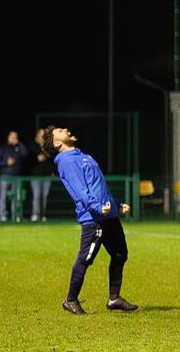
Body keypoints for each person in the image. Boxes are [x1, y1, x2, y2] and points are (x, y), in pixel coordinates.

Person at [41, 126, 137, 315]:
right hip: (94, 219)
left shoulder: (82, 156)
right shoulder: (67, 162)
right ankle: (70, 300)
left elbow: (98, 186)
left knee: (120, 254)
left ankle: (114, 298)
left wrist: (116, 205)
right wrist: (97, 207)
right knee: (85, 258)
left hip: (108, 215)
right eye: (60, 131)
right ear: (57, 143)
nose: (66, 129)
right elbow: (80, 191)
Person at [0, 131, 28, 222]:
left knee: (16, 197)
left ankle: (15, 215)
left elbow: (25, 154)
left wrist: (19, 143)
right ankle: (3, 216)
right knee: (3, 197)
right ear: (8, 138)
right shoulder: (2, 148)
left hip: (16, 177)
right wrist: (6, 163)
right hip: (5, 176)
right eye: (12, 137)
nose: (14, 138)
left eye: (16, 137)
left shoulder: (18, 147)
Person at [29, 128, 55, 222]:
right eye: (40, 134)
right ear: (37, 135)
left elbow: (51, 160)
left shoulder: (48, 146)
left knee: (44, 196)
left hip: (47, 175)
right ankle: (35, 214)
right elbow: (28, 160)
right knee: (36, 195)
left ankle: (43, 214)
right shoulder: (32, 145)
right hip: (35, 175)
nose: (42, 135)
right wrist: (38, 157)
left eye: (43, 134)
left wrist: (52, 171)